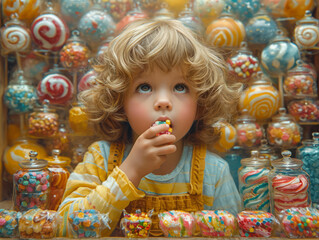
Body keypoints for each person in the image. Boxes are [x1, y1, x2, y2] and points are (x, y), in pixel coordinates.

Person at [58, 19, 242, 237]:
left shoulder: (214, 172)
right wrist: (131, 171)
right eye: (144, 87)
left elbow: (234, 233)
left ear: (200, 104)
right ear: (119, 101)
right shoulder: (101, 159)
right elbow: (65, 228)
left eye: (180, 87)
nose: (163, 101)